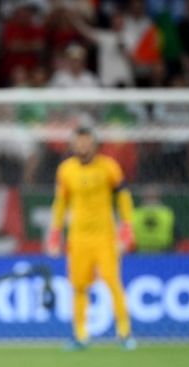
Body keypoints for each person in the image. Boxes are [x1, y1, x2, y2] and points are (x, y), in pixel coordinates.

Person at [46, 126, 137, 350]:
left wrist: (127, 226)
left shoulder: (109, 167)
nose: (83, 146)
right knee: (78, 286)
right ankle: (80, 335)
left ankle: (124, 333)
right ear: (73, 145)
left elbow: (123, 198)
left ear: (95, 144)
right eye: (79, 142)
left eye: (86, 142)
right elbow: (60, 204)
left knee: (113, 282)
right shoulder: (66, 170)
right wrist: (55, 233)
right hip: (78, 237)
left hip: (105, 236)